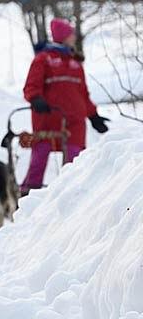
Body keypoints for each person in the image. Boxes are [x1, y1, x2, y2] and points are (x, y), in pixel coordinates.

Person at [20, 17, 109, 193]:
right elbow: (31, 85)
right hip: (48, 118)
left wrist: (93, 116)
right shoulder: (43, 59)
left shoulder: (75, 63)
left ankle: (72, 194)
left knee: (75, 160)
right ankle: (27, 195)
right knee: (40, 158)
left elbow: (83, 94)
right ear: (63, 36)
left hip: (74, 122)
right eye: (71, 34)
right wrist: (35, 98)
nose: (74, 37)